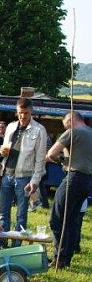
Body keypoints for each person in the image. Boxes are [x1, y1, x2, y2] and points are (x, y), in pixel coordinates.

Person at [0, 97, 47, 243]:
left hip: (24, 177)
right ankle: (2, 244)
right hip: (7, 174)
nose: (22, 116)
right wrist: (2, 151)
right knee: (3, 213)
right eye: (20, 113)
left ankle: (16, 246)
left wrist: (35, 180)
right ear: (16, 112)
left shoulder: (39, 130)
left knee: (21, 215)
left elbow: (41, 159)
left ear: (31, 112)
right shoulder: (11, 127)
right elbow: (5, 149)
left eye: (26, 113)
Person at [47, 110, 92, 268]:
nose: (65, 128)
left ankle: (58, 257)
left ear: (71, 120)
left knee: (57, 218)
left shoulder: (72, 132)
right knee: (72, 220)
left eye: (65, 124)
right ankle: (66, 258)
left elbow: (51, 154)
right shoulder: (90, 132)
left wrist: (62, 159)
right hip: (87, 180)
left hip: (73, 177)